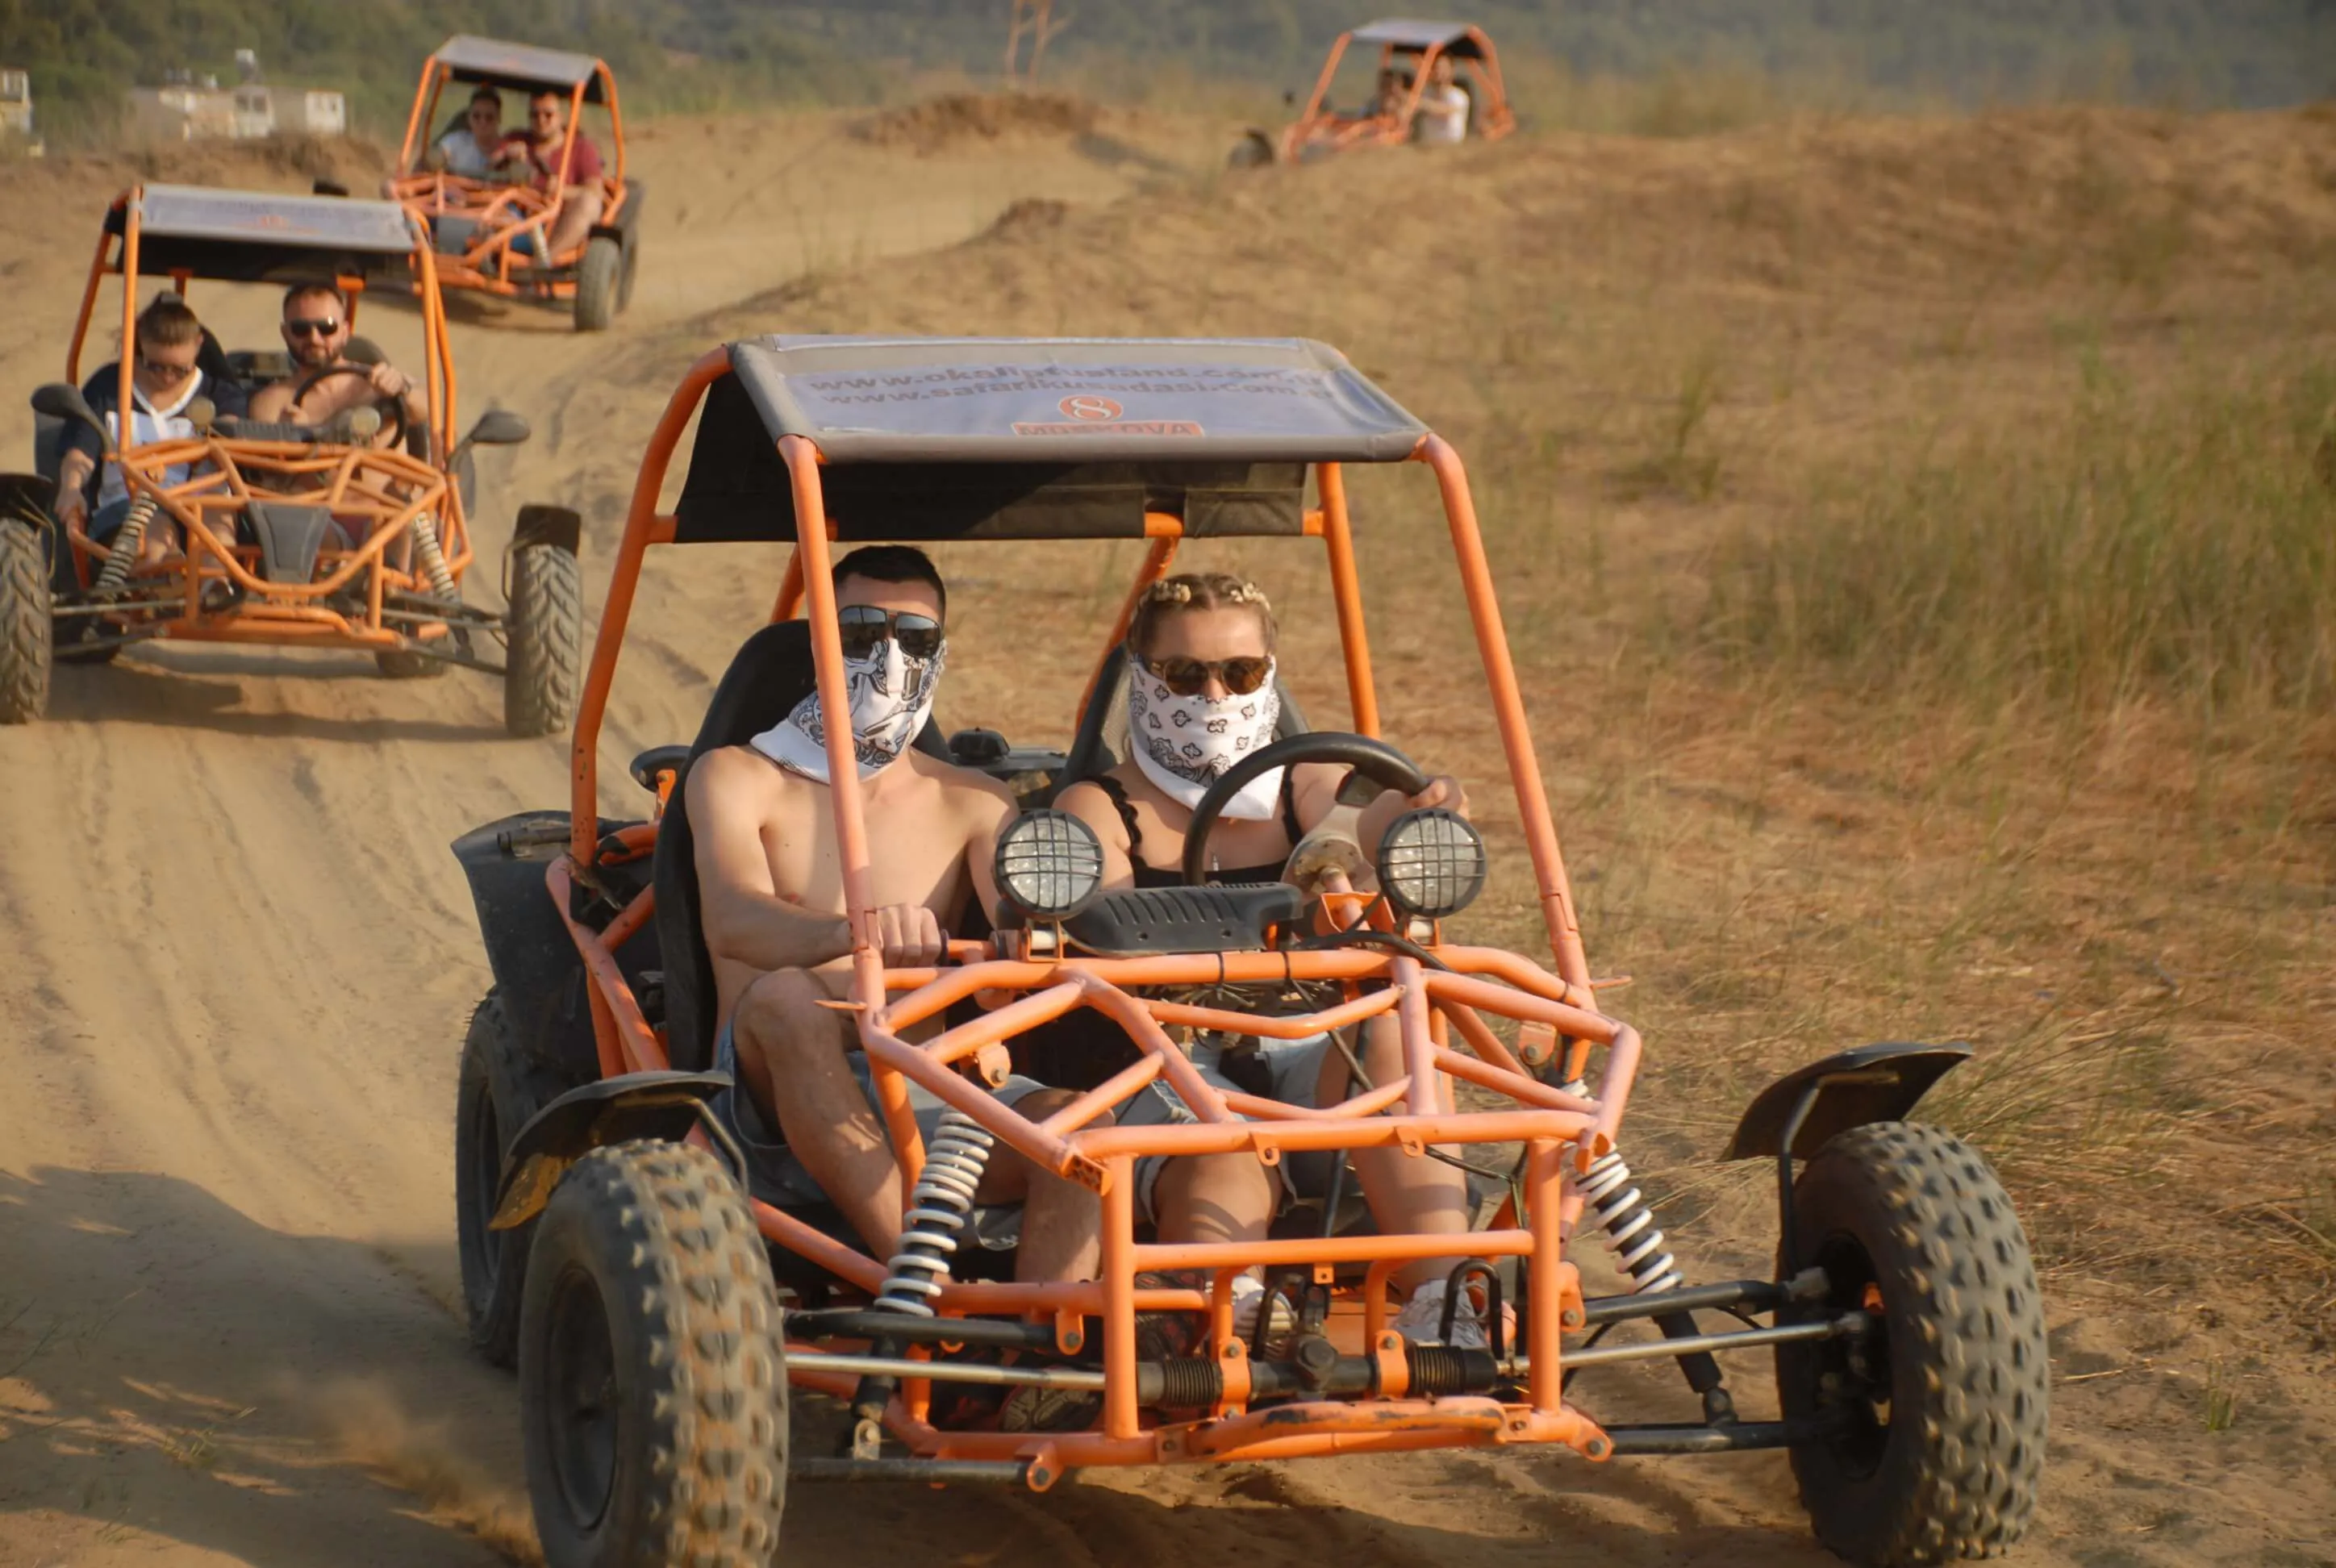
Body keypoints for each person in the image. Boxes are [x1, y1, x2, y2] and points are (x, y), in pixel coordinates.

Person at [1058, 572, 1491, 1346]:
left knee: (1393, 1038)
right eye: (1186, 674)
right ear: (1143, 678)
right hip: (1167, 1053)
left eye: (1241, 672)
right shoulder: (1098, 806)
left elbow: (1362, 818)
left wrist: (1420, 808)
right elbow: (1114, 930)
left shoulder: (1303, 783)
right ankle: (1238, 1317)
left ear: (1269, 676)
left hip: (1304, 1047)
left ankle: (1442, 1301)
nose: (1215, 694)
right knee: (1219, 1134)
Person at [690, 546, 1104, 1299]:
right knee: (787, 998)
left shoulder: (973, 801)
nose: (888, 657)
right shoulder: (738, 776)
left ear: (939, 652)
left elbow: (1019, 967)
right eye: (859, 632)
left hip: (927, 1090)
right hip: (765, 1094)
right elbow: (733, 922)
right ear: (816, 640)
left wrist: (1007, 966)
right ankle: (923, 1289)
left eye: (914, 638)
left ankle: (1049, 1343)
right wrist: (858, 933)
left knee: (1083, 1124)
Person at [52, 292, 247, 571]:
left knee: (218, 516)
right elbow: (81, 451)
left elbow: (229, 441)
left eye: (180, 370)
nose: (167, 377)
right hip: (125, 505)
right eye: (155, 366)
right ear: (141, 344)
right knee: (154, 524)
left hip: (196, 503)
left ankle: (216, 582)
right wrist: (71, 488)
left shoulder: (220, 395)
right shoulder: (108, 387)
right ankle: (167, 578)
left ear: (198, 344)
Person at [246, 283, 426, 446]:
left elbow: (427, 410)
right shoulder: (274, 405)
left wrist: (403, 389)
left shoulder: (376, 386)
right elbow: (267, 469)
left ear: (345, 332)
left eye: (327, 327)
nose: (314, 339)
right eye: (300, 329)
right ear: (285, 333)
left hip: (385, 473)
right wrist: (293, 438)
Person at [496, 86, 604, 260]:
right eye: (534, 115)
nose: (541, 120)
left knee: (589, 204)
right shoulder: (515, 139)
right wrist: (506, 157)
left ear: (561, 116)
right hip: (514, 216)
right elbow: (488, 168)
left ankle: (545, 261)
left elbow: (595, 192)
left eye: (548, 115)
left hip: (558, 222)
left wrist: (560, 190)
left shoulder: (581, 147)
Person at [425, 85, 504, 177]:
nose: (483, 122)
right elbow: (437, 155)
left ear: (499, 119)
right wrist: (435, 160)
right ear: (469, 118)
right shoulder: (457, 142)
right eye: (476, 116)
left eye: (489, 117)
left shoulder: (506, 149)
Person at [1411, 55, 1471, 147]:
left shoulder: (1459, 96)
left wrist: (1422, 104)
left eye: (1444, 68)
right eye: (1436, 68)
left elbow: (1445, 110)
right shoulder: (1425, 94)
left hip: (1452, 147)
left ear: (1452, 70)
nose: (1439, 71)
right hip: (1428, 148)